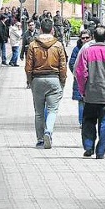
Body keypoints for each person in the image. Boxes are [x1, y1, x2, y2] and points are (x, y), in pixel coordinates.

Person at [75, 26, 105, 159]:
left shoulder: (87, 52)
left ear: (93, 37)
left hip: (91, 93)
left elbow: (81, 73)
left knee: (88, 121)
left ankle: (88, 146)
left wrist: (82, 90)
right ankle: (101, 151)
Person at [25, 18, 67, 149]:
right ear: (52, 29)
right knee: (52, 110)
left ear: (40, 29)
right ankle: (48, 131)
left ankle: (40, 139)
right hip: (54, 78)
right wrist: (62, 81)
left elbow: (28, 66)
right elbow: (63, 66)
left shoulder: (33, 44)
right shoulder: (58, 45)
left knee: (38, 112)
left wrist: (30, 80)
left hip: (37, 79)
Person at [69, 30, 92, 128]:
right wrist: (78, 74)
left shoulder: (93, 48)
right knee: (81, 101)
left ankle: (90, 120)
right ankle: (82, 122)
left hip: (92, 79)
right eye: (83, 38)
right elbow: (72, 63)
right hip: (80, 79)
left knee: (91, 101)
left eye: (87, 37)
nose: (85, 40)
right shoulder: (76, 49)